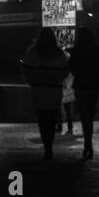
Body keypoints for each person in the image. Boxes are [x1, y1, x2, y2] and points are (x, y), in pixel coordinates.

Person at [20, 28, 70, 160]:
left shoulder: (33, 52)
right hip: (54, 92)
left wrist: (34, 81)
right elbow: (65, 71)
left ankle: (46, 147)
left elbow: (25, 70)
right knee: (51, 120)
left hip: (39, 91)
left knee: (42, 121)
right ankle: (50, 145)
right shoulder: (59, 53)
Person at [67, 27, 99, 159]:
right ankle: (89, 142)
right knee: (90, 116)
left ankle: (87, 144)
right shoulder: (96, 49)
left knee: (84, 115)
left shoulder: (76, 51)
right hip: (93, 85)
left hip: (81, 85)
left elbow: (71, 67)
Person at [60, 70, 76, 135]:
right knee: (67, 110)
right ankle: (68, 127)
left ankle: (64, 127)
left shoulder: (69, 74)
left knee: (67, 110)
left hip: (65, 92)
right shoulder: (70, 74)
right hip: (66, 92)